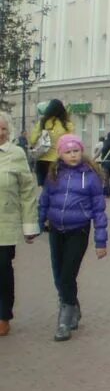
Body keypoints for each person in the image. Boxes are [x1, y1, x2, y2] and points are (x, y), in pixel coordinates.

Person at [39, 135, 109, 341]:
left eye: (76, 151)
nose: (72, 155)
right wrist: (37, 223)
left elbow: (99, 210)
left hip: (78, 230)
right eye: (68, 152)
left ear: (81, 152)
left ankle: (64, 320)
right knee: (59, 275)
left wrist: (101, 241)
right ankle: (74, 306)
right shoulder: (54, 174)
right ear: (60, 154)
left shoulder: (91, 176)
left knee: (67, 275)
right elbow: (45, 200)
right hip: (56, 230)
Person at [0, 112, 40, 337]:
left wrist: (29, 225)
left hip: (4, 225)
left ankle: (3, 315)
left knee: (2, 269)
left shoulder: (16, 154)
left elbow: (27, 191)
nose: (0, 132)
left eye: (3, 128)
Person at [33, 99, 74, 187]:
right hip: (60, 161)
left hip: (43, 160)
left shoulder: (42, 123)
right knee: (60, 187)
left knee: (45, 189)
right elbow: (72, 143)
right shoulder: (67, 125)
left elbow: (32, 140)